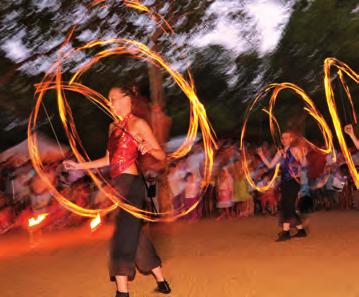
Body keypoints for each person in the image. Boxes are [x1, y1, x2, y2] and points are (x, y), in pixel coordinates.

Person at [63, 86, 171, 297]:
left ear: (126, 99)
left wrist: (149, 149)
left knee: (122, 235)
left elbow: (161, 156)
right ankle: (162, 281)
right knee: (136, 236)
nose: (110, 103)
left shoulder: (138, 124)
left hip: (133, 185)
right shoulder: (112, 126)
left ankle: (122, 293)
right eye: (109, 99)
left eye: (113, 99)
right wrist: (79, 166)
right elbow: (108, 160)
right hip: (120, 185)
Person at [257, 131, 307, 241]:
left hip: (294, 181)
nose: (283, 140)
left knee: (287, 206)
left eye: (286, 138)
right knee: (287, 205)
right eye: (282, 138)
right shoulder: (280, 152)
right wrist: (261, 155)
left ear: (291, 139)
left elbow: (303, 164)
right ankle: (301, 230)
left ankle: (286, 232)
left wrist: (301, 156)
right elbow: (271, 165)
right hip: (284, 182)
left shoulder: (295, 150)